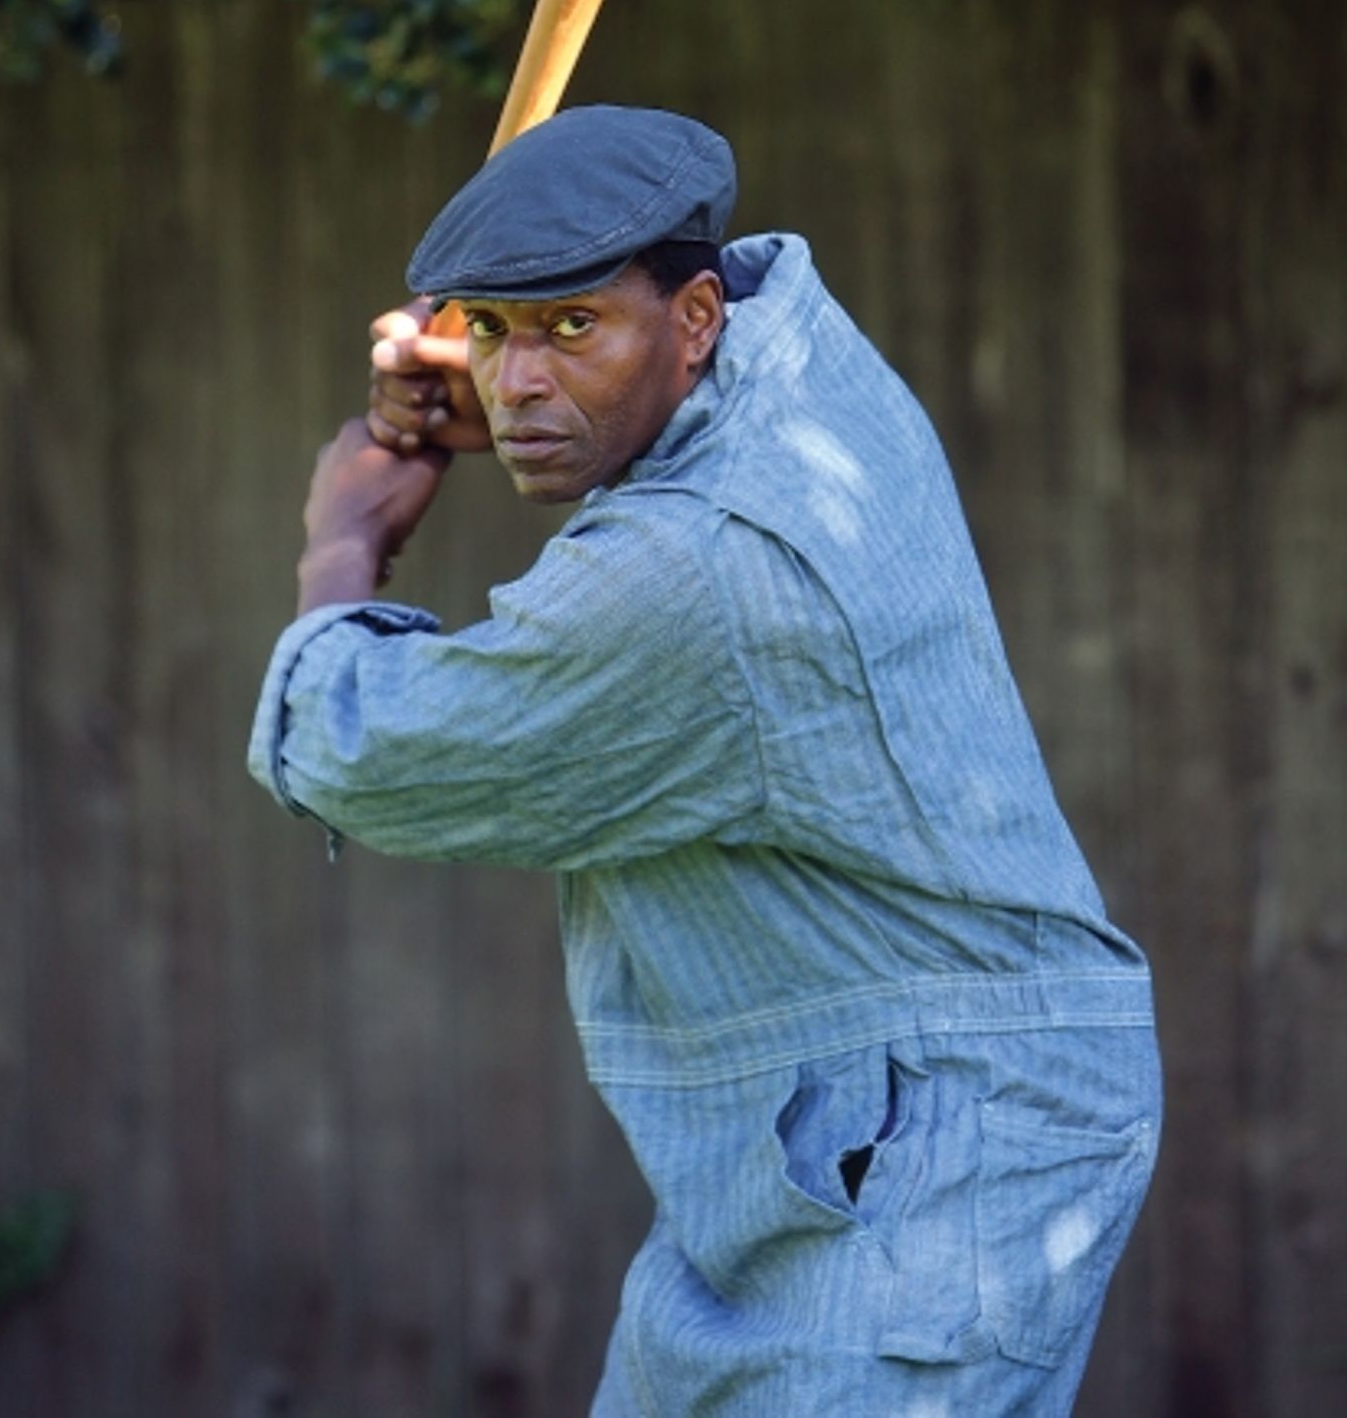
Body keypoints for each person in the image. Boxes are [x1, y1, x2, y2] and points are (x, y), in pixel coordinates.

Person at [249, 104, 1160, 1415]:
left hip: (933, 1152)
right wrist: (520, 386)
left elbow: (376, 753)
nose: (519, 381)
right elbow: (616, 365)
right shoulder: (798, 364)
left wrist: (344, 549)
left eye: (575, 326)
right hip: (857, 1119)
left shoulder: (695, 574)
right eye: (493, 329)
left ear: (691, 325)